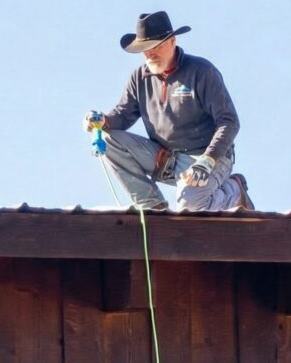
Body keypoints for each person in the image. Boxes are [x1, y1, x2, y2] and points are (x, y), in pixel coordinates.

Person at [84, 11, 253, 212]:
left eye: (156, 46)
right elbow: (122, 115)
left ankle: (234, 191)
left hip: (208, 158)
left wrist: (207, 161)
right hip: (164, 157)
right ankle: (153, 206)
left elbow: (229, 122)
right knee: (109, 139)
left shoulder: (201, 71)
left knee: (190, 207)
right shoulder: (139, 78)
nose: (150, 54)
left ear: (172, 41)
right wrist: (102, 121)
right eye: (144, 49)